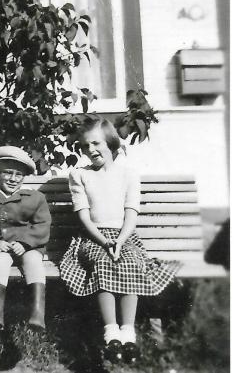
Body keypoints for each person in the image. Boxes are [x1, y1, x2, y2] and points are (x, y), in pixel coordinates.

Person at [60, 116, 180, 364]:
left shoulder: (128, 174)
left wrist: (120, 241)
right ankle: (111, 333)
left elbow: (131, 213)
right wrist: (105, 242)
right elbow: (84, 217)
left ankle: (128, 334)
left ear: (111, 143)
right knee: (103, 262)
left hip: (125, 236)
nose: (91, 150)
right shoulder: (79, 175)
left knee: (129, 263)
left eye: (96, 143)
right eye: (85, 146)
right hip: (93, 237)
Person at [0, 146, 51, 332]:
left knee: (34, 261)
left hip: (29, 246)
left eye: (19, 174)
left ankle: (37, 312)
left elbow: (42, 224)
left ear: (24, 177)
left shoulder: (35, 198)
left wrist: (25, 242)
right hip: (0, 246)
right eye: (7, 172)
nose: (13, 179)